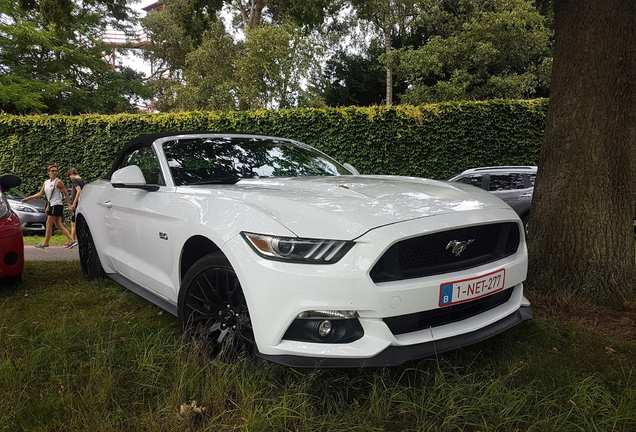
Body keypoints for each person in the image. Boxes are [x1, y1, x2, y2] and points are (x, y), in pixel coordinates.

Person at [21, 163, 75, 249]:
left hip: (57, 205)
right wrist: (28, 198)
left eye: (56, 171)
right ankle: (72, 240)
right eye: (52, 171)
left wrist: (69, 205)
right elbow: (40, 193)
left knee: (48, 224)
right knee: (58, 225)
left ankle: (45, 243)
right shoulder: (46, 182)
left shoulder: (58, 182)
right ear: (48, 172)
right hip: (52, 205)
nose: (54, 172)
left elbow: (65, 193)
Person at [67, 168, 85, 246]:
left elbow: (79, 191)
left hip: (76, 203)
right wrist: (71, 189)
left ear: (72, 174)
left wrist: (74, 203)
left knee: (73, 223)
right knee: (76, 222)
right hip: (81, 203)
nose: (70, 178)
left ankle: (72, 241)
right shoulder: (82, 181)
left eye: (70, 176)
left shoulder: (75, 180)